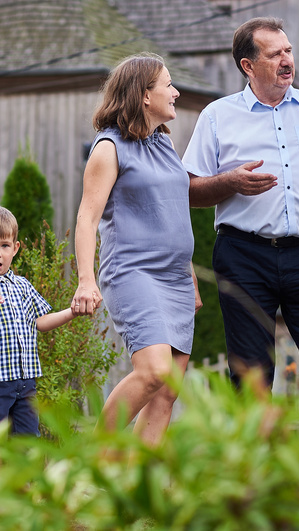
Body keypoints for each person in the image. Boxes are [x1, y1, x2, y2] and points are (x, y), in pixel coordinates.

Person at [182, 17, 299, 391]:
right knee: (251, 376)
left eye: (288, 51)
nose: (286, 61)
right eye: (274, 54)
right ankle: (257, 450)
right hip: (244, 256)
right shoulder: (217, 116)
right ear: (248, 66)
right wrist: (230, 182)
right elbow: (190, 190)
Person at [71, 53, 202, 446]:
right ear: (144, 95)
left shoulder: (164, 142)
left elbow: (173, 213)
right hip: (133, 273)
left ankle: (133, 491)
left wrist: (190, 276)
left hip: (176, 279)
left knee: (167, 391)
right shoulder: (109, 148)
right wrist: (85, 281)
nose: (176, 92)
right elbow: (86, 219)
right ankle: (93, 462)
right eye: (168, 85)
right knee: (153, 372)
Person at [0, 205, 81, 435]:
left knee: (28, 440)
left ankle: (29, 471)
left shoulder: (22, 286)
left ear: (15, 248)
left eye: (4, 246)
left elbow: (41, 322)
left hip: (25, 382)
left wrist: (72, 312)